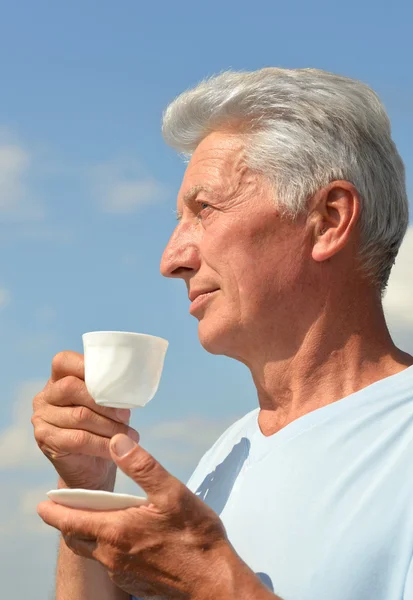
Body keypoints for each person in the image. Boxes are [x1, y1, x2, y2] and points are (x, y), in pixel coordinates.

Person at [33, 68, 413, 600]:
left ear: (329, 218)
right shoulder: (230, 450)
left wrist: (214, 583)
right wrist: (89, 488)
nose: (171, 260)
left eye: (204, 210)